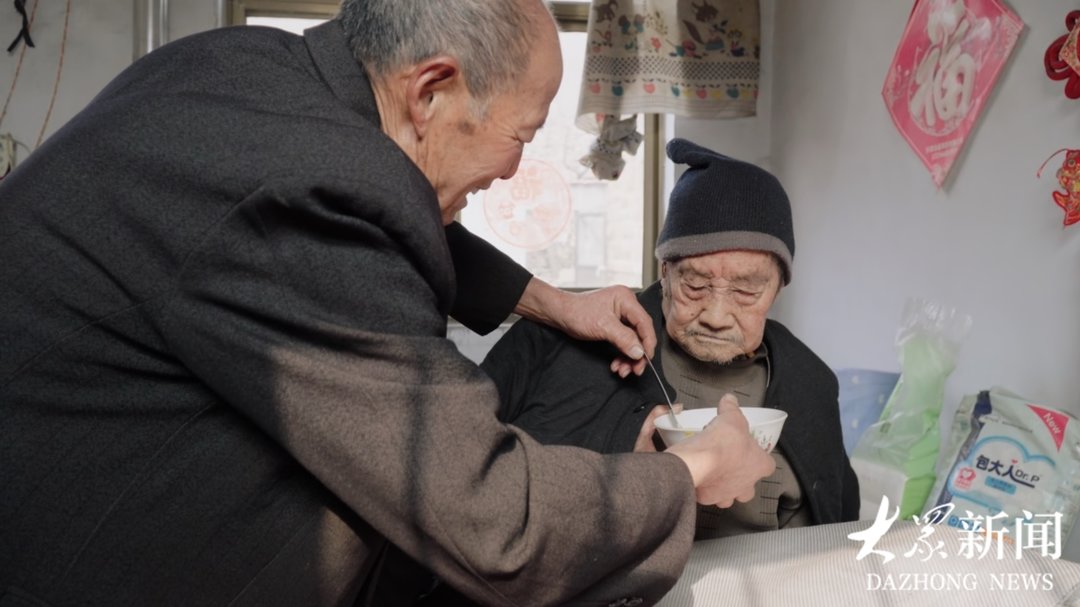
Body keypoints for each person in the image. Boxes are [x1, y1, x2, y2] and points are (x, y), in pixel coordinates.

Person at [0, 2, 776, 606]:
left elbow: (364, 214)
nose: (514, 171)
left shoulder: (246, 70)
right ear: (430, 90)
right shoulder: (317, 188)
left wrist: (551, 301)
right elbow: (493, 519)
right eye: (521, 133)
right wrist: (692, 469)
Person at [481, 138, 860, 540]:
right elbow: (466, 485)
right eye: (694, 285)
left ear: (779, 287)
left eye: (747, 290)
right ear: (664, 271)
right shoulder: (552, 344)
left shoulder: (811, 382)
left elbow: (838, 532)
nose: (716, 316)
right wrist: (627, 461)